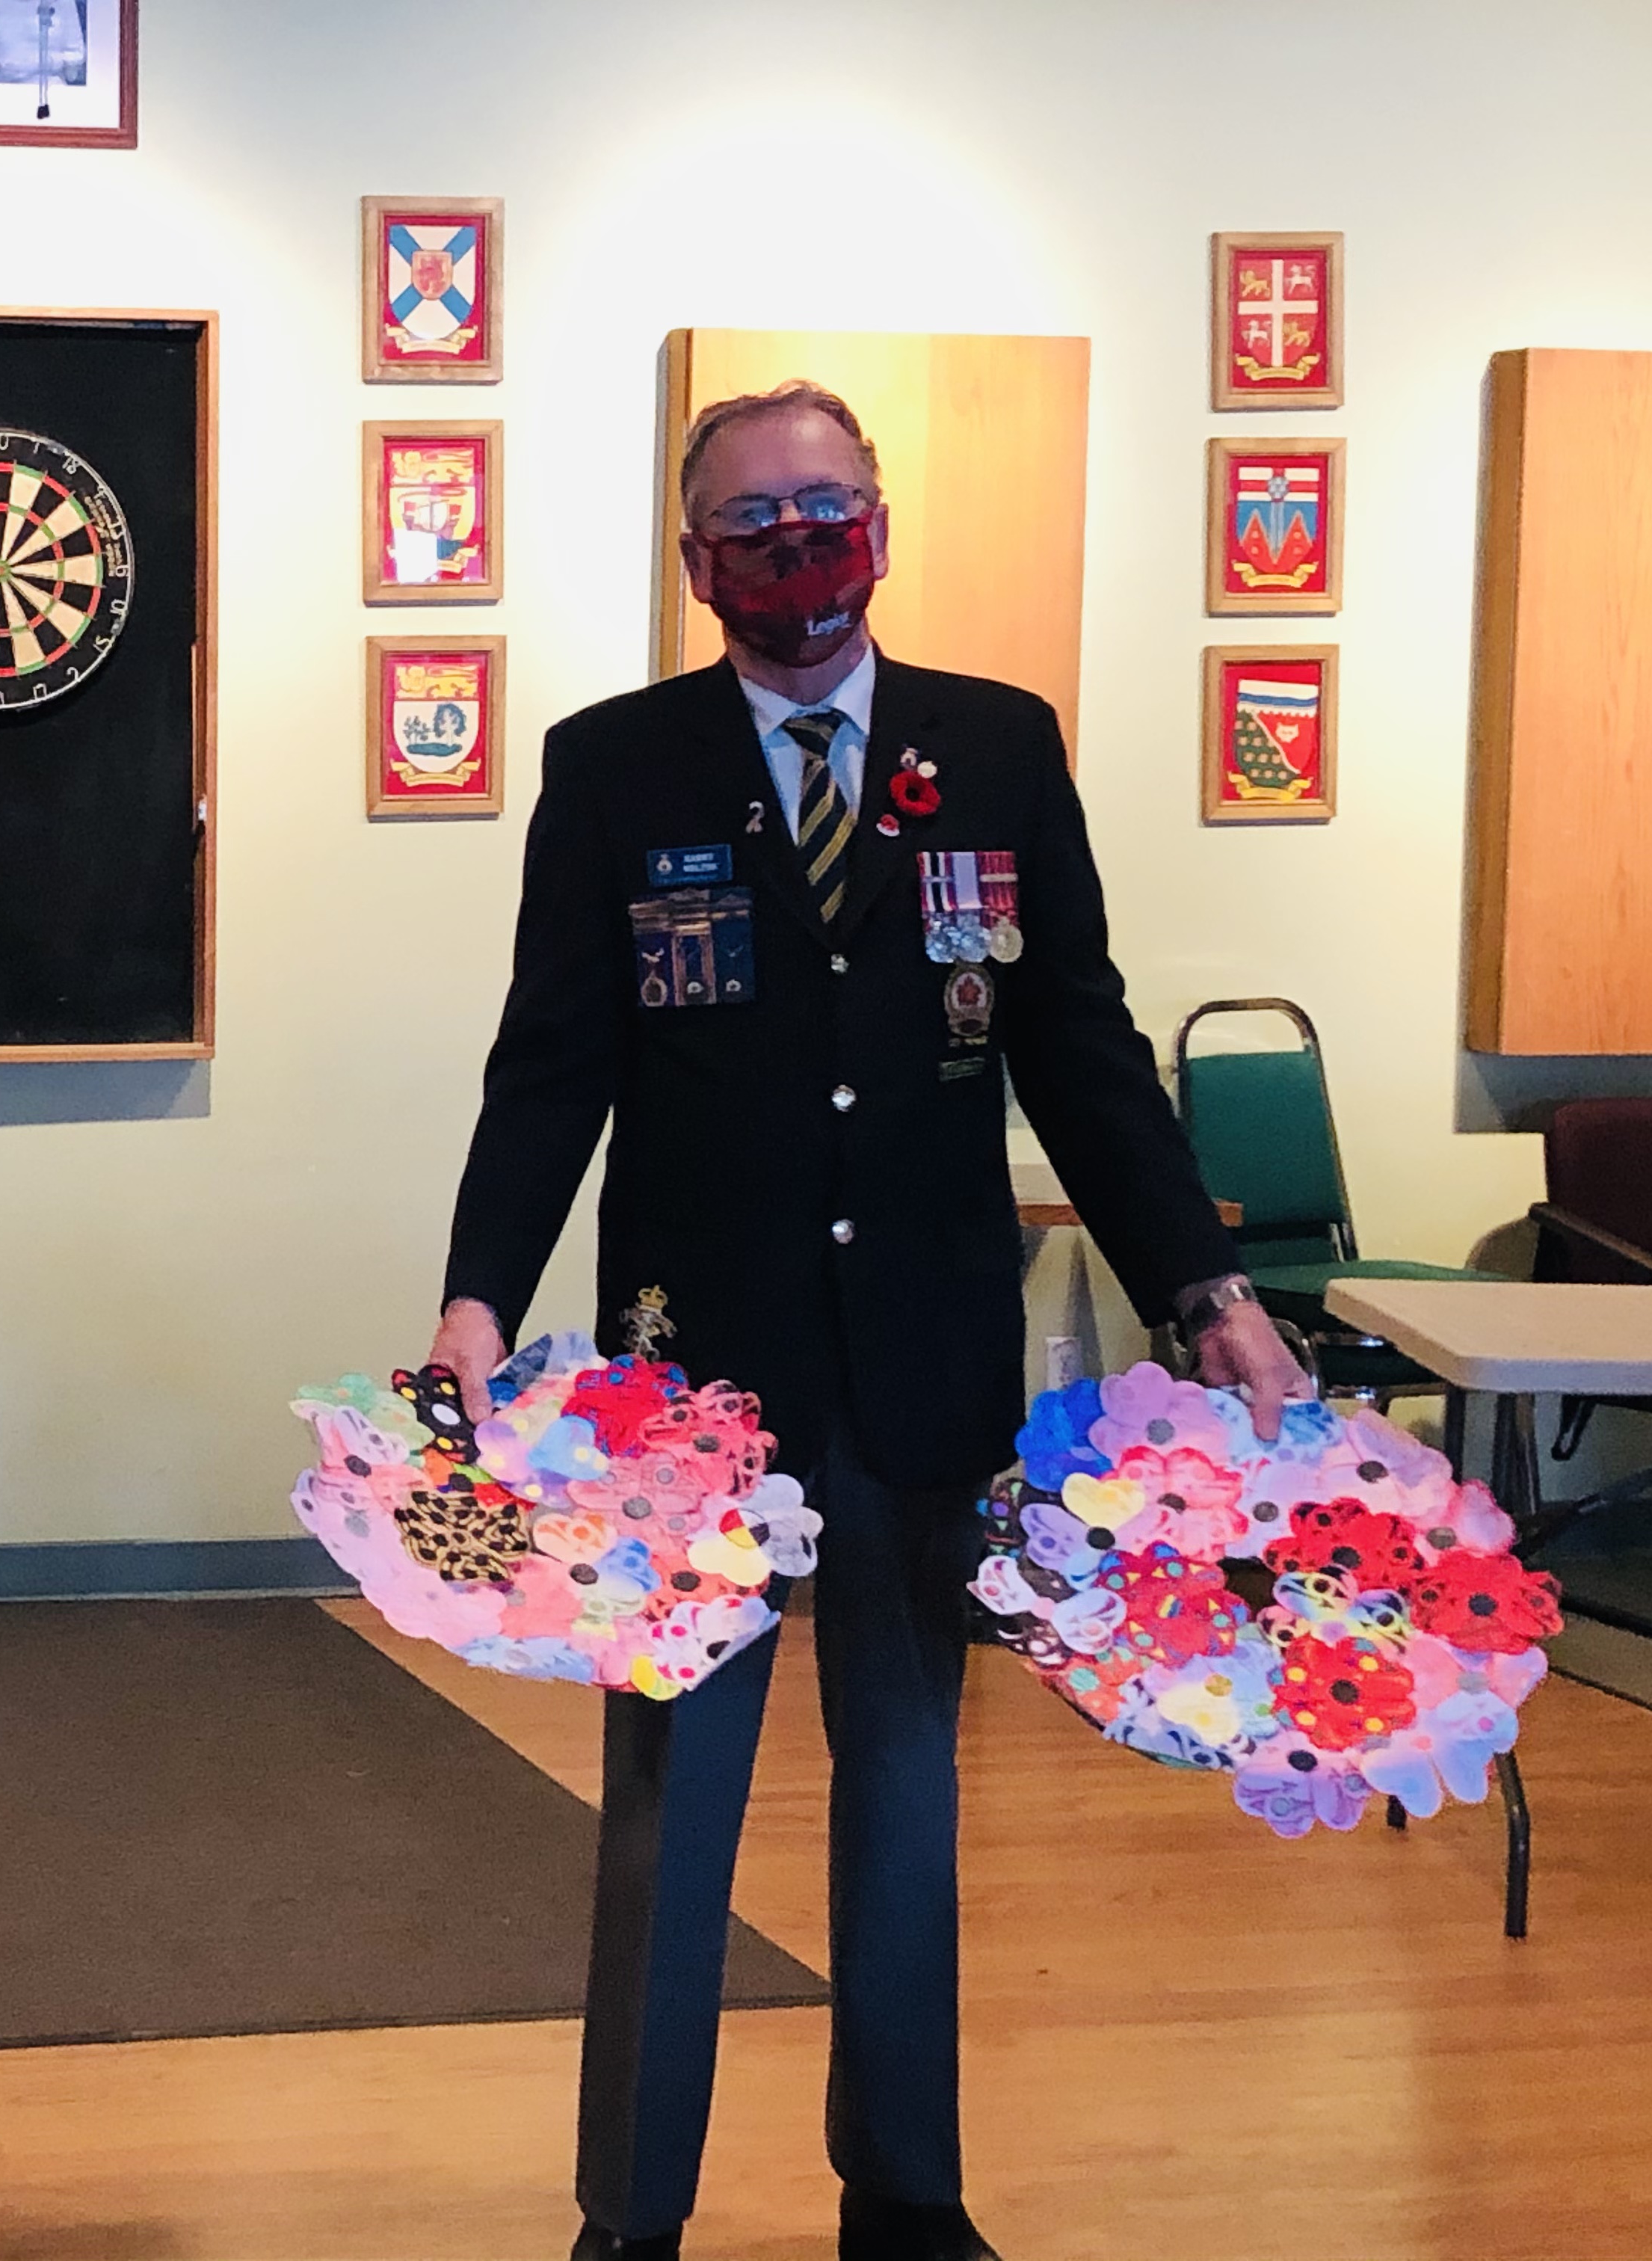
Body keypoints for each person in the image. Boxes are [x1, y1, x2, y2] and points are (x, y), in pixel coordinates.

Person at [429, 383, 1306, 2261]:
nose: (797, 547)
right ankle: (633, 2215)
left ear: (884, 528)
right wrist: (477, 1300)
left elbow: (1079, 1045)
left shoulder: (995, 747)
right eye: (754, 522)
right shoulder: (619, 766)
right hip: (691, 1389)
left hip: (922, 1358)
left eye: (826, 507)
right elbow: (551, 1068)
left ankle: (907, 2194)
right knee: (674, 1807)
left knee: (908, 1786)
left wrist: (1207, 1292)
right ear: (698, 563)